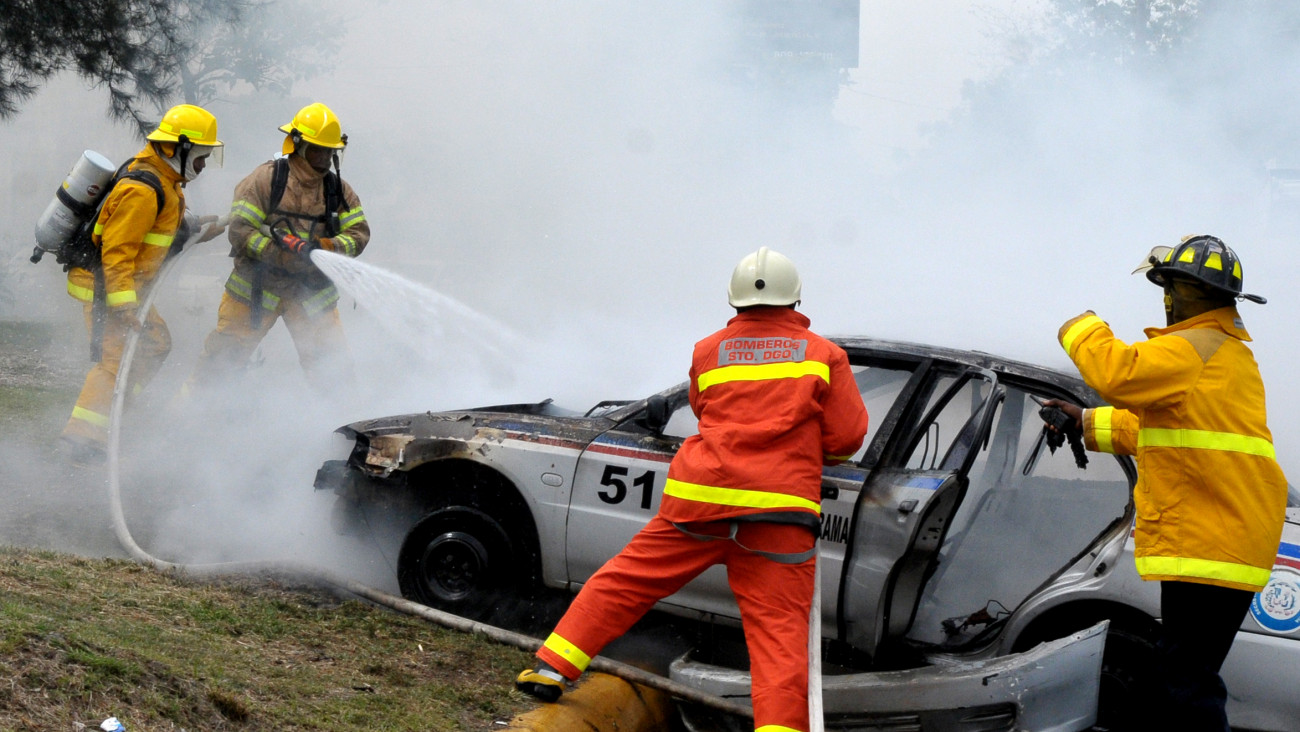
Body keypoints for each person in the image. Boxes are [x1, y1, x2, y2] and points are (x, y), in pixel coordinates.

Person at [515, 247, 869, 732]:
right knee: (778, 638)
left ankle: (552, 668)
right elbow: (847, 438)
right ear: (795, 299)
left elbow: (705, 409)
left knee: (626, 582)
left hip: (700, 504)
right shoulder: (825, 355)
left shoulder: (709, 350)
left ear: (734, 300)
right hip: (778, 517)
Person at [1049, 234, 1287, 731]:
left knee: (1186, 687)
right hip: (1225, 535)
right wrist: (1086, 422)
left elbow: (1116, 373)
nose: (1171, 299)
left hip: (1210, 539)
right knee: (1179, 680)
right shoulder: (1223, 353)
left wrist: (1081, 325)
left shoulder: (1192, 347)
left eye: (1173, 289)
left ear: (1177, 291)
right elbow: (1164, 430)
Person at [61, 103, 225, 462]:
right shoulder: (143, 190)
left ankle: (116, 411)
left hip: (125, 288)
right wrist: (123, 306)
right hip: (109, 290)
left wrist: (196, 229)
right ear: (177, 148)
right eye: (201, 157)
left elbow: (157, 231)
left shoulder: (164, 180)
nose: (203, 165)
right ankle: (83, 440)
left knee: (154, 344)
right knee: (114, 361)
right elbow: (117, 252)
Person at [182, 102, 368, 397]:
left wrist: (325, 246)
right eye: (318, 150)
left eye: (329, 151)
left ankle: (347, 422)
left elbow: (359, 235)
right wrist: (278, 254)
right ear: (298, 145)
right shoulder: (266, 180)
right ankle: (192, 416)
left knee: (334, 373)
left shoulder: (339, 191)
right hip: (255, 290)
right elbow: (240, 231)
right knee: (219, 366)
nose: (324, 158)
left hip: (311, 293)